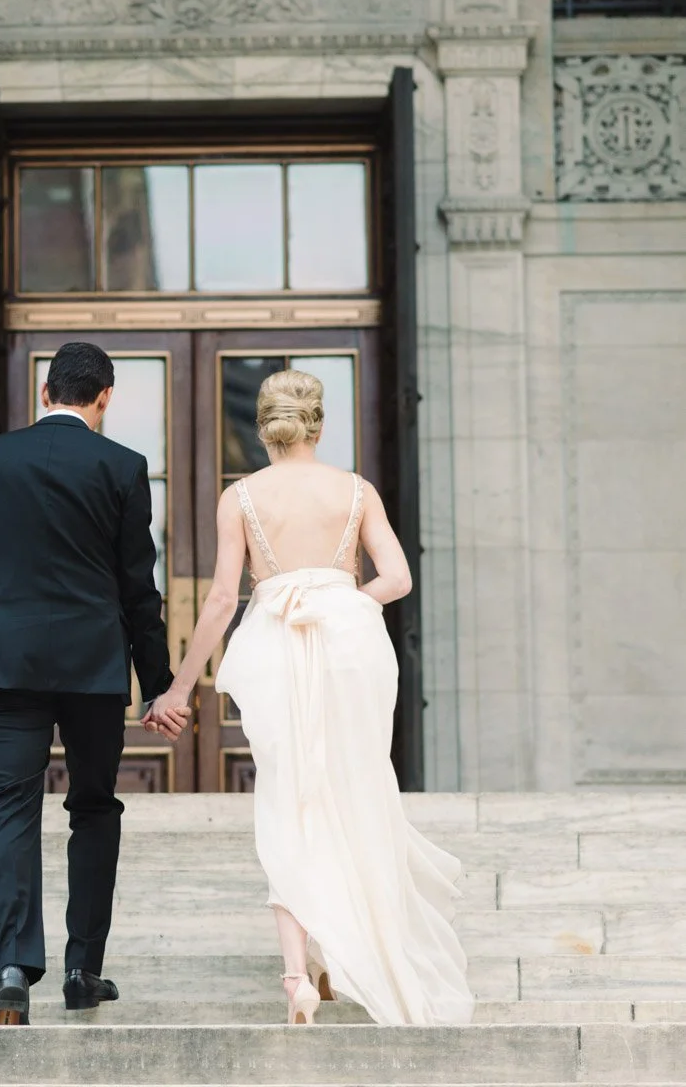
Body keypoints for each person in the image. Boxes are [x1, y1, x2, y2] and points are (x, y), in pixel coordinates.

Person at [143, 369, 473, 1025]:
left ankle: (298, 973)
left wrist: (178, 687)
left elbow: (218, 600)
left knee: (289, 797)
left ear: (266, 427)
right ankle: (339, 953)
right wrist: (343, 601)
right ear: (319, 423)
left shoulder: (241, 498)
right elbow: (398, 578)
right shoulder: (356, 491)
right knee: (352, 789)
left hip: (273, 642)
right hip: (351, 642)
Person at [0, 341, 185, 1026]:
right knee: (94, 809)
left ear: (45, 395)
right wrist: (160, 683)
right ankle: (81, 970)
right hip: (94, 669)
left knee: (9, 810)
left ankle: (12, 970)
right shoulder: (124, 468)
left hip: (5, 665)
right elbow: (140, 591)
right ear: (103, 398)